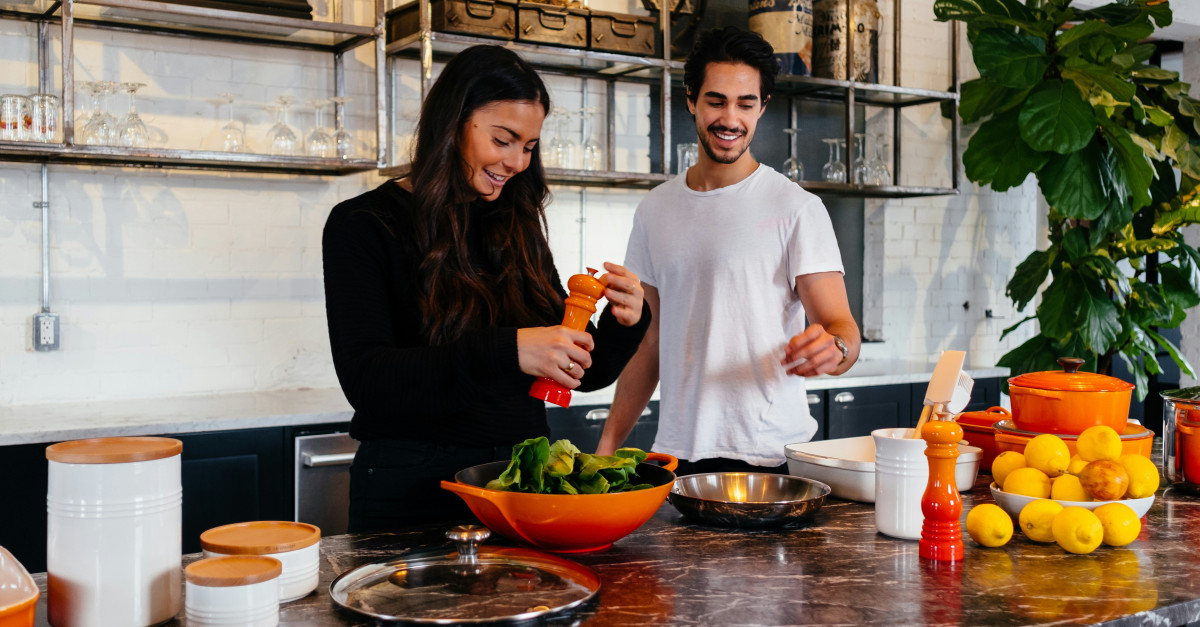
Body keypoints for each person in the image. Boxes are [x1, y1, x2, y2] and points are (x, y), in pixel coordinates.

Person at [322, 45, 651, 532]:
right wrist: (509, 350)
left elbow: (575, 373)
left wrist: (624, 322)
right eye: (504, 139)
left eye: (529, 146)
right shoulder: (363, 224)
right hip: (410, 493)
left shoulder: (516, 224)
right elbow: (368, 382)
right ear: (453, 122)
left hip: (521, 486)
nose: (517, 161)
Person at [595, 26, 860, 475]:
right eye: (716, 101)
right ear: (691, 101)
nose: (730, 119)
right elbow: (649, 342)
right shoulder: (656, 209)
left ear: (763, 107)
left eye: (745, 103)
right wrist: (606, 448)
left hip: (771, 457)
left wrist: (833, 349)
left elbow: (842, 331)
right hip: (677, 457)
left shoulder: (796, 208)